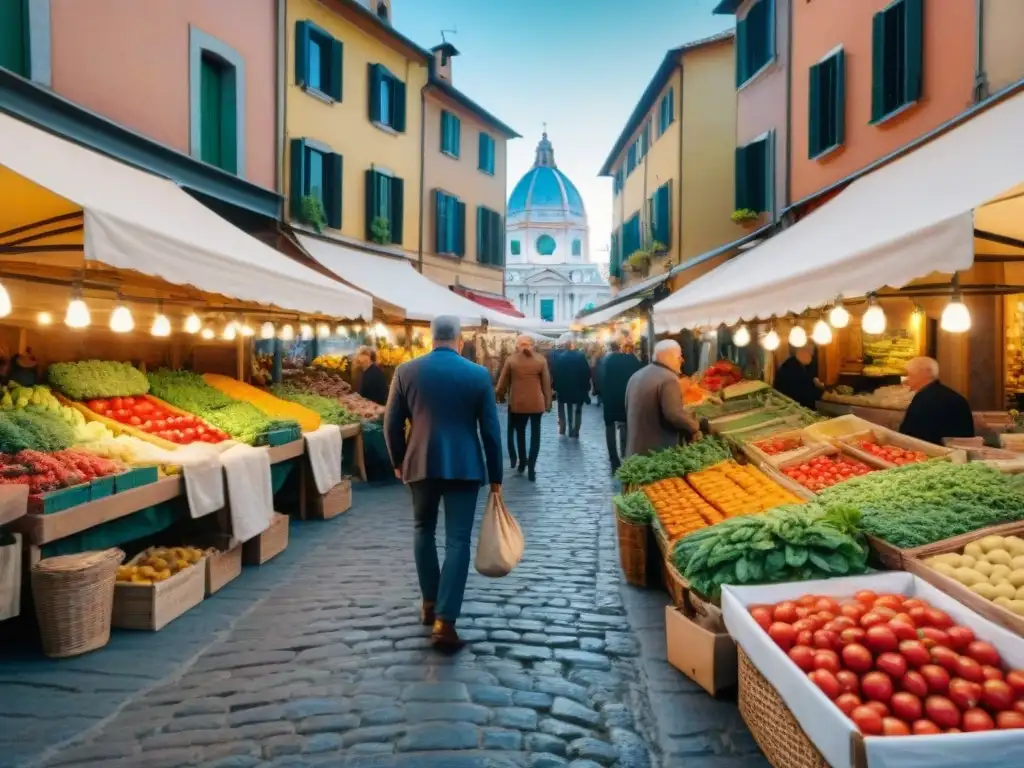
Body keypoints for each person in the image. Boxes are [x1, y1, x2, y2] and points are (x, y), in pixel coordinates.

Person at [384, 315, 503, 653]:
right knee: (457, 541)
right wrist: (495, 477)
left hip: (420, 462)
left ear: (430, 338)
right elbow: (491, 432)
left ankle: (428, 603)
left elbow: (390, 423)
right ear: (460, 340)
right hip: (464, 466)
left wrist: (396, 461)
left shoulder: (406, 371)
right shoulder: (478, 374)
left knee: (423, 530)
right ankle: (445, 620)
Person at [624, 339, 702, 458]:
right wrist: (695, 427)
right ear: (668, 356)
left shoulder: (636, 375)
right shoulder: (669, 379)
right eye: (679, 356)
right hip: (656, 454)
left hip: (634, 451)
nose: (682, 360)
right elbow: (674, 415)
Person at [495, 334, 552, 481]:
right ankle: (532, 466)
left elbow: (502, 383)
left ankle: (522, 462)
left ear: (518, 345)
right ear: (532, 345)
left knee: (520, 434)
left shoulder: (511, 360)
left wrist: (498, 395)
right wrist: (548, 402)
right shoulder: (541, 360)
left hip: (518, 404)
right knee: (535, 435)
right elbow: (546, 384)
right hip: (536, 403)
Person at [899, 356, 974, 445]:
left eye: (909, 374)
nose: (905, 380)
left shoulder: (924, 400)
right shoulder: (954, 396)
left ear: (922, 374)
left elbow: (910, 436)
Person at [600, 339, 643, 472]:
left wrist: (601, 394)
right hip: (627, 397)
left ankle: (614, 459)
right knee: (625, 423)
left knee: (610, 426)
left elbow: (601, 378)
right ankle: (625, 454)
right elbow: (639, 379)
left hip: (610, 397)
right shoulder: (633, 361)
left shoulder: (607, 360)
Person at [553, 341, 591, 438]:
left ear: (565, 347)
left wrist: (556, 387)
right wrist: (586, 386)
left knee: (561, 408)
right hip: (578, 388)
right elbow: (586, 372)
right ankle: (576, 429)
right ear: (572, 347)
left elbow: (556, 373)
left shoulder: (560, 358)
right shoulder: (581, 356)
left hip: (563, 388)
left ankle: (563, 427)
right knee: (578, 409)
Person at [773, 345, 824, 410]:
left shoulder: (813, 362)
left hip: (807, 406)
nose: (811, 352)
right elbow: (805, 391)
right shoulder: (789, 366)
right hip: (790, 406)